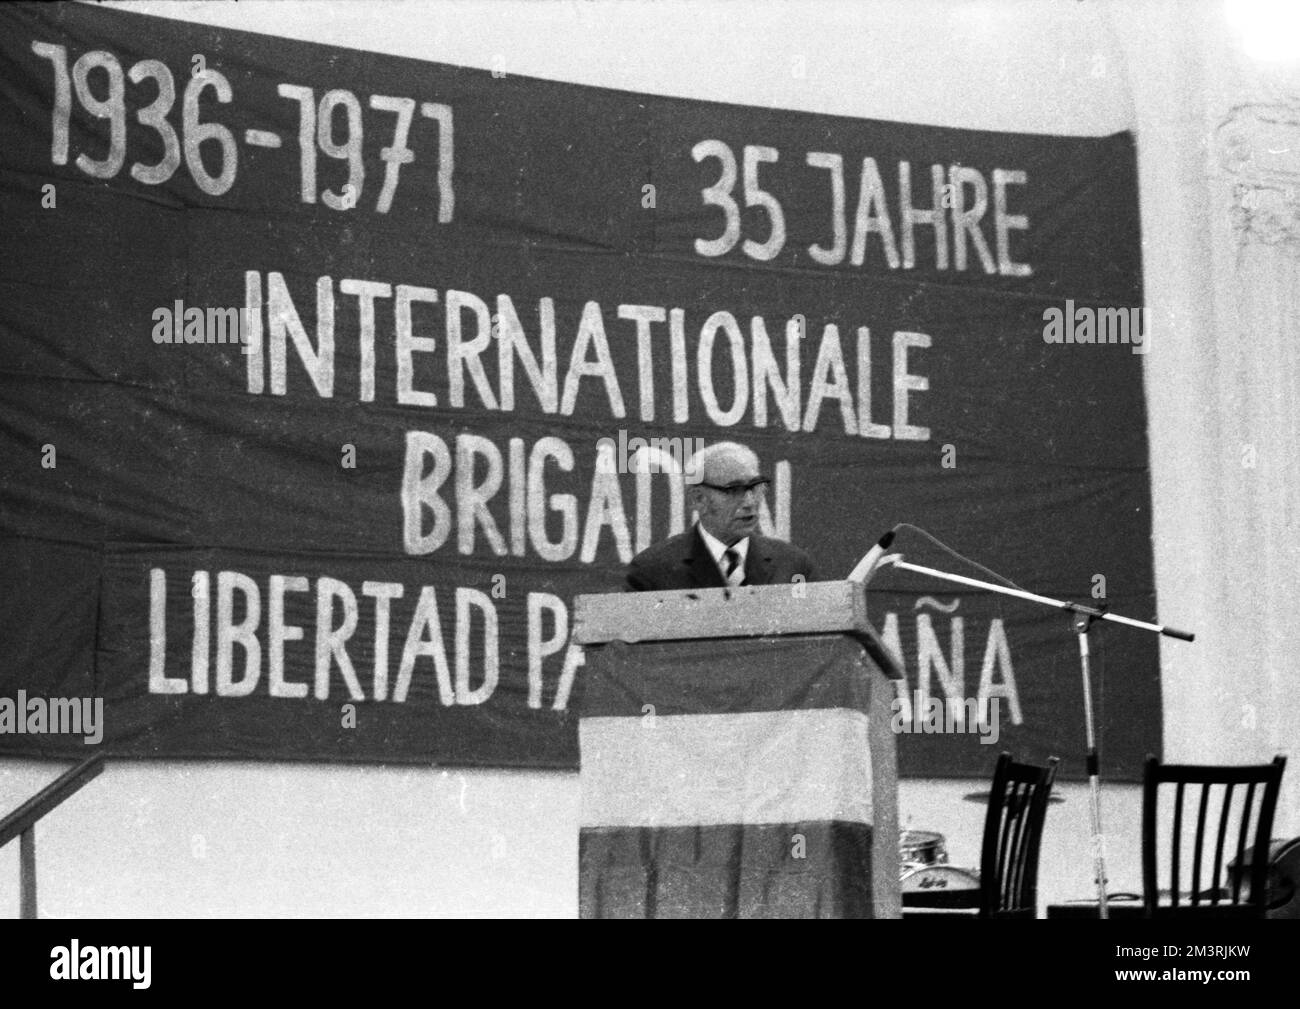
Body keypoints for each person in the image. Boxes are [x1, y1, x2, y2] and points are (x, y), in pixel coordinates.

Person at [625, 441, 817, 591]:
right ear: (698, 499)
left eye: (755, 486)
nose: (750, 502)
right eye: (734, 490)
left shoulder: (793, 566)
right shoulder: (652, 572)